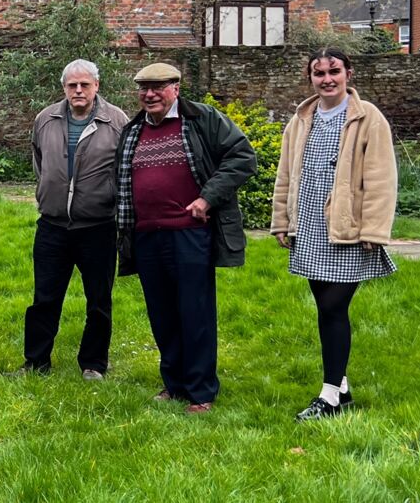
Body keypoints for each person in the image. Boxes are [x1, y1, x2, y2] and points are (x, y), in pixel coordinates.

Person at [116, 63, 256, 415]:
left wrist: (208, 197)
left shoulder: (202, 119)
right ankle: (174, 384)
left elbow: (242, 156)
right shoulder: (133, 130)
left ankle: (201, 391)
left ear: (176, 88)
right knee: (162, 314)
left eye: (158, 87)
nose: (150, 94)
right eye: (144, 88)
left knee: (195, 312)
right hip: (146, 234)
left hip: (190, 233)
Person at [270, 48, 397, 421]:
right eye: (319, 73)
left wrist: (374, 228)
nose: (327, 79)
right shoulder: (301, 119)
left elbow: (381, 179)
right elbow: (285, 173)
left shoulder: (367, 117)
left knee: (332, 307)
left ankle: (328, 397)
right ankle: (341, 388)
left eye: (334, 71)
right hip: (309, 224)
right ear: (310, 77)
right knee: (325, 308)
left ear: (348, 74)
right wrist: (282, 220)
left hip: (348, 227)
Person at [20, 59, 130, 380]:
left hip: (98, 227)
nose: (78, 90)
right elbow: (39, 162)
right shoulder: (46, 119)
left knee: (98, 300)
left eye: (84, 85)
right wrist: (50, 192)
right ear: (64, 88)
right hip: (53, 226)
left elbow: (125, 170)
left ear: (97, 86)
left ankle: (93, 364)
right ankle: (36, 362)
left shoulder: (117, 121)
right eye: (72, 85)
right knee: (44, 298)